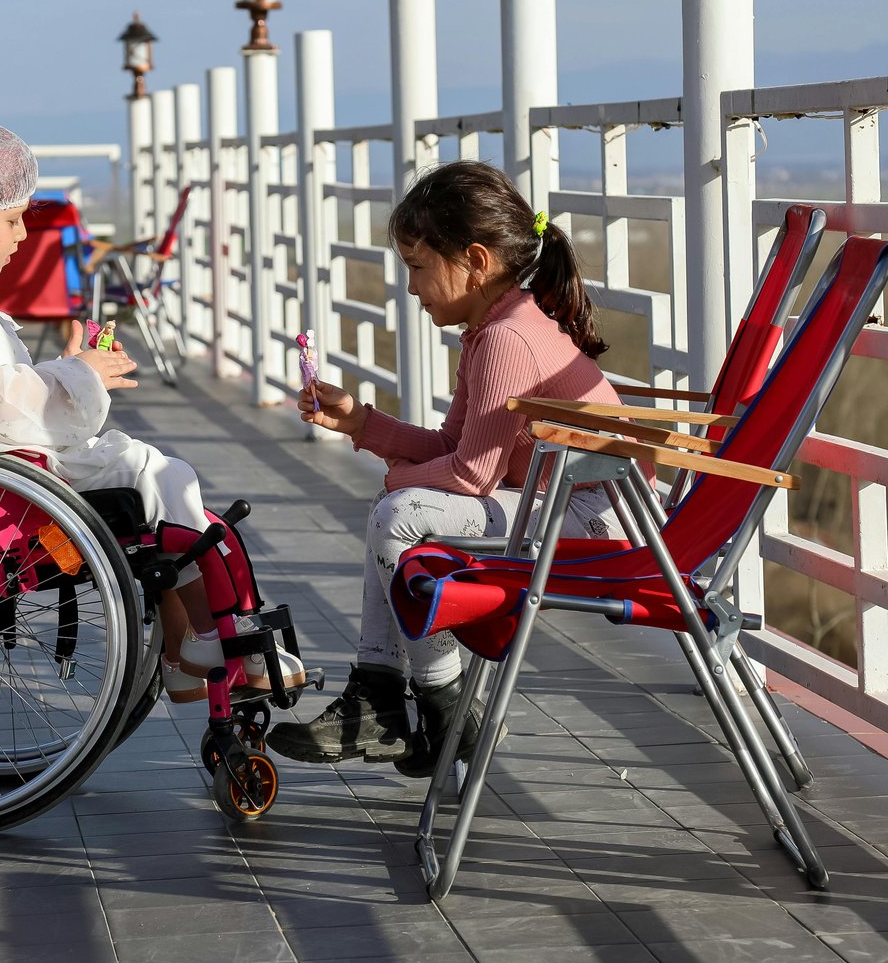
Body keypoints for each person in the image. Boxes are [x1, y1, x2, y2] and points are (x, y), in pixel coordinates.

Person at [0, 112, 303, 703]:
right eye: (15, 218)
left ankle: (189, 651)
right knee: (159, 478)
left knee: (160, 494)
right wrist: (77, 376)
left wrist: (69, 373)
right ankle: (208, 636)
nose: (25, 233)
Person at [267, 160, 625, 776]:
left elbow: (467, 477)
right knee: (398, 512)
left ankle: (441, 705)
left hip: (592, 522)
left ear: (476, 260)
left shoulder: (506, 340)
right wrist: (360, 422)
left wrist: (395, 482)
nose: (410, 288)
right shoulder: (497, 327)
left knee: (400, 512)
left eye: (417, 267)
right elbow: (452, 445)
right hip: (555, 504)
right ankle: (392, 699)